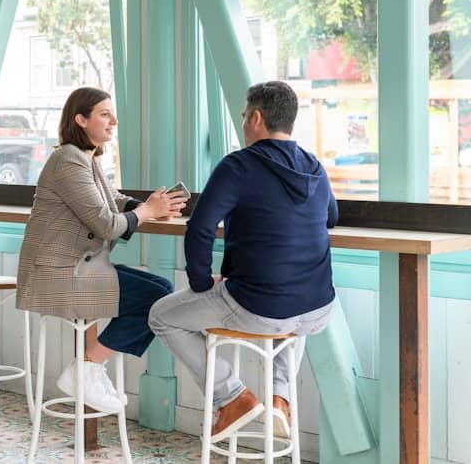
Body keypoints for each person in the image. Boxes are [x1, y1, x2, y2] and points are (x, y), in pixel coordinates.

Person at [148, 80, 337, 442]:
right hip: (318, 309)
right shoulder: (314, 166)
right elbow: (331, 216)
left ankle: (231, 396)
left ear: (256, 118)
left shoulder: (239, 165)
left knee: (161, 315)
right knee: (291, 312)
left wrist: (202, 283)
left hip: (259, 307)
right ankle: (279, 399)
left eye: (244, 116)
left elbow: (200, 228)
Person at [17, 86, 188, 413]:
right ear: (81, 119)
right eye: (105, 114)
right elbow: (106, 224)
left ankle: (90, 368)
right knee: (157, 299)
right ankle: (86, 368)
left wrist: (149, 206)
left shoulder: (85, 158)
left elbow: (113, 199)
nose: (114, 121)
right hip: (60, 275)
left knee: (162, 290)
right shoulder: (68, 159)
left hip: (80, 267)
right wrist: (147, 212)